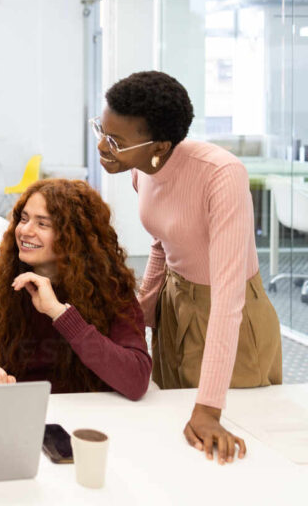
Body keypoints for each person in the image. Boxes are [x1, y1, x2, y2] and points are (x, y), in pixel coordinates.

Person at [93, 70, 282, 464]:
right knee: (172, 434)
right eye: (102, 130)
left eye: (116, 141)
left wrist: (211, 408)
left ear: (159, 145)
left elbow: (229, 296)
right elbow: (163, 241)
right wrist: (143, 308)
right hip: (174, 307)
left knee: (232, 450)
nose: (102, 145)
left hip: (229, 317)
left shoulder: (221, 176)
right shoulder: (140, 168)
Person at [0, 179, 152, 401]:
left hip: (88, 415)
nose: (25, 230)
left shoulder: (110, 289)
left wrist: (60, 314)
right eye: (23, 219)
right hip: (17, 410)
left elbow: (137, 379)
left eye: (42, 224)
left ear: (74, 236)